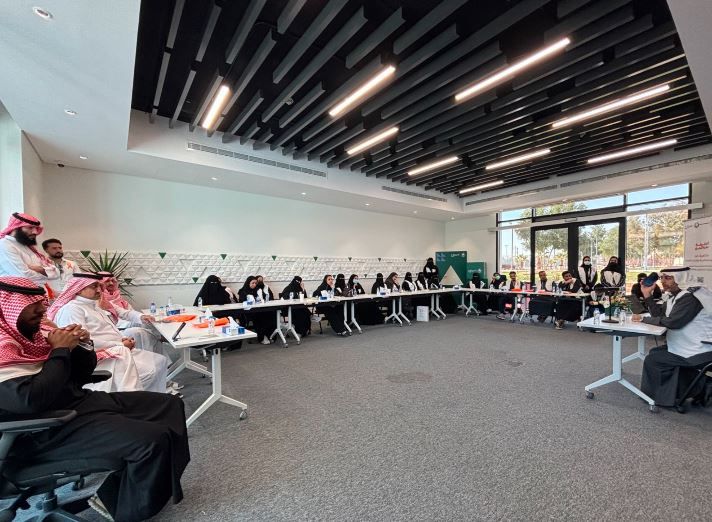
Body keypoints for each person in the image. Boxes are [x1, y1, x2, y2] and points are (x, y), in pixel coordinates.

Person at [0, 276, 190, 521]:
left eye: (40, 303)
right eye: (31, 305)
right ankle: (126, 510)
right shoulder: (3, 347)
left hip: (77, 403)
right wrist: (60, 351)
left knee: (169, 405)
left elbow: (80, 375)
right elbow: (30, 400)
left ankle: (119, 491)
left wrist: (82, 345)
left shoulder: (35, 335)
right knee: (151, 439)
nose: (42, 310)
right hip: (43, 430)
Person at [49, 273, 169, 392]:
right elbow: (81, 343)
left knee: (160, 361)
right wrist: (120, 344)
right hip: (100, 356)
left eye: (99, 286)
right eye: (94, 286)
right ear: (79, 289)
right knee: (149, 371)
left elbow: (112, 325)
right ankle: (135, 399)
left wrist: (122, 338)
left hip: (118, 348)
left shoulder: (94, 305)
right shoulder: (72, 309)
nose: (99, 290)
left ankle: (154, 397)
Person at [632, 267, 712, 407]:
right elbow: (659, 316)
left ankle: (700, 386)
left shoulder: (691, 297)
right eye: (662, 277)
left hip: (700, 350)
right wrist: (647, 294)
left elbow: (673, 322)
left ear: (681, 279)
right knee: (656, 352)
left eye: (668, 278)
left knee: (654, 360)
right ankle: (701, 387)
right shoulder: (674, 296)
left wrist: (643, 319)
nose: (663, 281)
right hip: (686, 346)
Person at [0, 212, 61, 287]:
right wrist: (46, 273)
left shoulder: (30, 247)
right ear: (16, 227)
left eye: (36, 228)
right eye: (30, 227)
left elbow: (57, 273)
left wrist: (41, 269)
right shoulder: (4, 244)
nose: (35, 232)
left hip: (38, 290)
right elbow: (23, 276)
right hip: (16, 292)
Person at [238, 276, 272, 345]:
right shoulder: (243, 291)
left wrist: (261, 296)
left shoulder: (258, 290)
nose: (254, 285)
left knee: (268, 315)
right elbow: (242, 302)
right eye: (252, 283)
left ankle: (268, 335)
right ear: (248, 283)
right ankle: (262, 337)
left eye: (255, 283)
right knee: (259, 318)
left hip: (258, 310)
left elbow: (263, 299)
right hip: (247, 311)